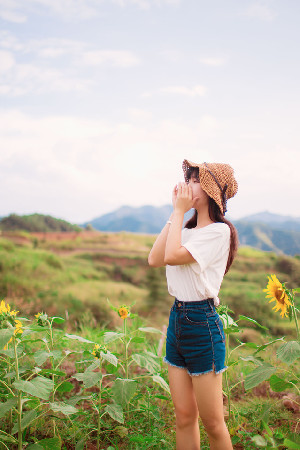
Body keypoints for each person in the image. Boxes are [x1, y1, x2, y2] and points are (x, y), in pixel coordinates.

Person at [148, 159, 239, 450]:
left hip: (202, 324)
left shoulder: (218, 232)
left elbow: (173, 256)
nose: (188, 184)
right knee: (184, 416)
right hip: (177, 321)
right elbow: (155, 258)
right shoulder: (185, 231)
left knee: (213, 423)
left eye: (196, 180)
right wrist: (175, 214)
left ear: (211, 192)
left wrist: (178, 211)